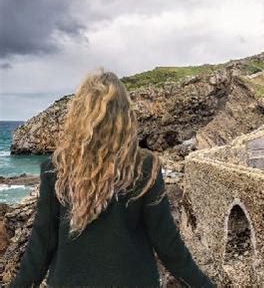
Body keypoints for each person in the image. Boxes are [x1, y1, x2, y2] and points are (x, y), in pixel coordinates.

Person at [11, 69, 214, 287]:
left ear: (78, 114)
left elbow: (40, 248)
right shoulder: (144, 167)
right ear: (125, 115)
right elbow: (169, 246)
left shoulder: (57, 168)